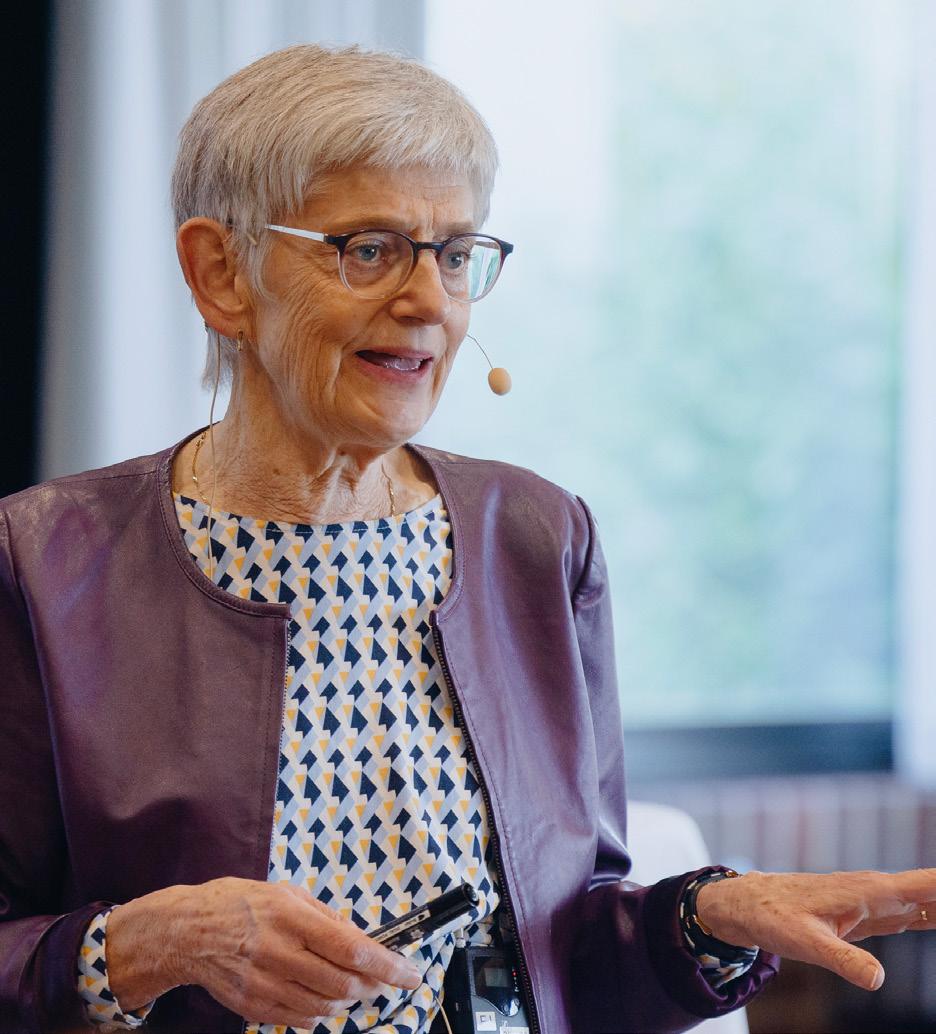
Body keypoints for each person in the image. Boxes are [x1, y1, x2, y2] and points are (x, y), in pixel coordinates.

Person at [0, 44, 933, 1034]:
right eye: (369, 248)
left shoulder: (539, 537)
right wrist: (144, 946)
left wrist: (705, 920)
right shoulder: (44, 561)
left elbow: (573, 950)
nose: (429, 301)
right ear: (221, 273)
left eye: (453, 254)